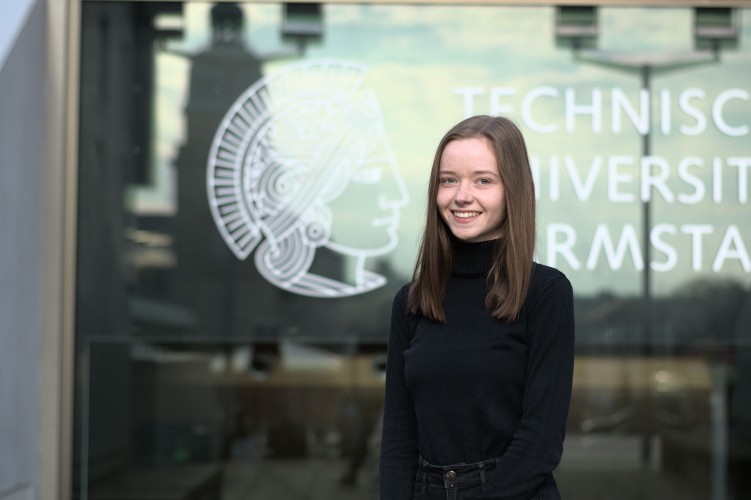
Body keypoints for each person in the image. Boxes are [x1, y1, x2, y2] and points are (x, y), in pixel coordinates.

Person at [379, 115, 575, 500]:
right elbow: (398, 438)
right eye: (448, 180)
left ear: (512, 191)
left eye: (483, 180)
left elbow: (541, 441)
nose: (461, 196)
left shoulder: (545, 293)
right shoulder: (412, 301)